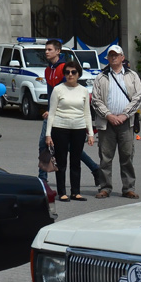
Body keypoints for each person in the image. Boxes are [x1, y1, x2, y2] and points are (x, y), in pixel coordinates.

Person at [40, 40, 102, 187]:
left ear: (57, 51)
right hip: (54, 113)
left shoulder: (64, 69)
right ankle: (95, 169)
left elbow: (68, 91)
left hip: (65, 116)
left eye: (49, 49)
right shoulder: (48, 70)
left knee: (62, 146)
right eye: (46, 49)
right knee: (51, 144)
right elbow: (52, 93)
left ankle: (42, 179)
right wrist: (49, 109)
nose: (46, 52)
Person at [91, 45, 141, 199]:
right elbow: (96, 100)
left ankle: (128, 188)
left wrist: (124, 115)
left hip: (126, 122)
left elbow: (138, 98)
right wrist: (109, 115)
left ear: (122, 57)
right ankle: (105, 187)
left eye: (116, 55)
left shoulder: (132, 76)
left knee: (127, 156)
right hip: (106, 123)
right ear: (107, 58)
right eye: (111, 55)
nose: (113, 57)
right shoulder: (101, 77)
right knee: (105, 157)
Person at [45, 59, 95, 201]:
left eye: (73, 72)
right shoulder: (58, 89)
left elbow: (87, 113)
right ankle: (62, 192)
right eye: (67, 72)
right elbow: (52, 113)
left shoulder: (84, 91)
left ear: (78, 74)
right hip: (60, 128)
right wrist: (48, 134)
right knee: (61, 161)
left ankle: (75, 192)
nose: (70, 75)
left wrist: (90, 133)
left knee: (76, 160)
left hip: (78, 128)